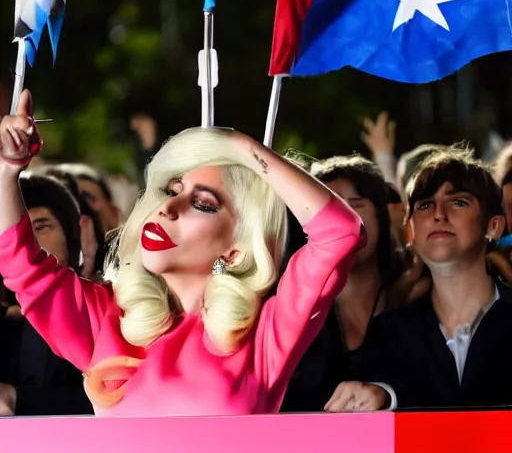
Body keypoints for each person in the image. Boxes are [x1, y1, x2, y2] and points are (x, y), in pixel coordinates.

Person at [0, 90, 363, 417]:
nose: (168, 208)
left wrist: (240, 148)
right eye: (172, 190)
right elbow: (21, 265)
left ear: (235, 252)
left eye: (203, 203)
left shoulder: (265, 333)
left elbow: (340, 233)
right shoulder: (109, 318)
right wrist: (7, 172)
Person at [330, 146, 512, 411]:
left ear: (493, 226)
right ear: (410, 230)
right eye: (425, 205)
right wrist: (383, 395)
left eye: (458, 202)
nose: (439, 214)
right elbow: (392, 384)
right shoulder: (388, 333)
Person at [280, 155, 403, 412]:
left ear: (381, 218)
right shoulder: (288, 309)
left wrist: (386, 396)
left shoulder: (413, 295)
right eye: (330, 207)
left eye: (356, 204)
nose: (344, 218)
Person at [0, 173, 94, 416]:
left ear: (72, 237)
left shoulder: (103, 313)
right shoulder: (7, 325)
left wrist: (16, 397)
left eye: (42, 227)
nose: (26, 240)